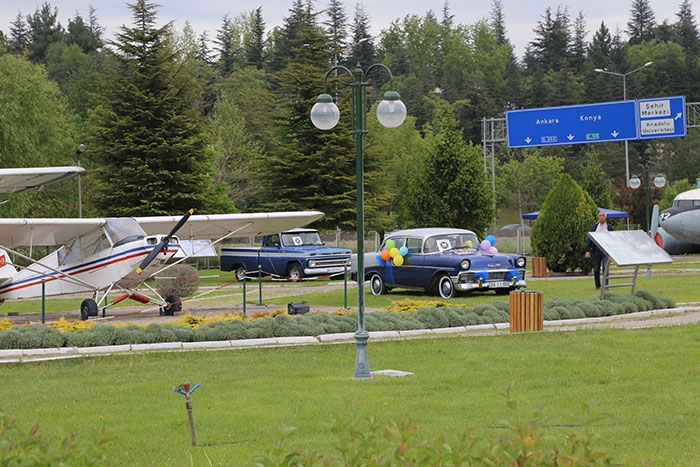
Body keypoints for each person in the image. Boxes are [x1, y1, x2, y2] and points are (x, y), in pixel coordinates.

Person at [585, 211, 613, 289]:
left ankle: (606, 285)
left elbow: (613, 239)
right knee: (596, 269)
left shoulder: (609, 227)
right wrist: (587, 250)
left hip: (606, 251)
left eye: (603, 215)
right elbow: (590, 239)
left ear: (606, 217)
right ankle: (597, 285)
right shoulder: (595, 227)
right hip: (596, 250)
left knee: (605, 268)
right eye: (600, 216)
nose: (601, 217)